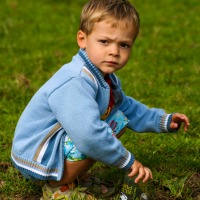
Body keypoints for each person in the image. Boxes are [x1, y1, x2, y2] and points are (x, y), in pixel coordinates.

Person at [11, 0, 190, 199]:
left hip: (52, 145)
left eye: (124, 45)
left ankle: (73, 176)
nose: (114, 51)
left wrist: (162, 120)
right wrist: (128, 161)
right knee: (95, 135)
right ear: (82, 39)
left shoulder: (103, 77)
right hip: (35, 155)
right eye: (104, 42)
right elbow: (88, 136)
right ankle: (57, 186)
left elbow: (126, 106)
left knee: (117, 120)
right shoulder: (76, 80)